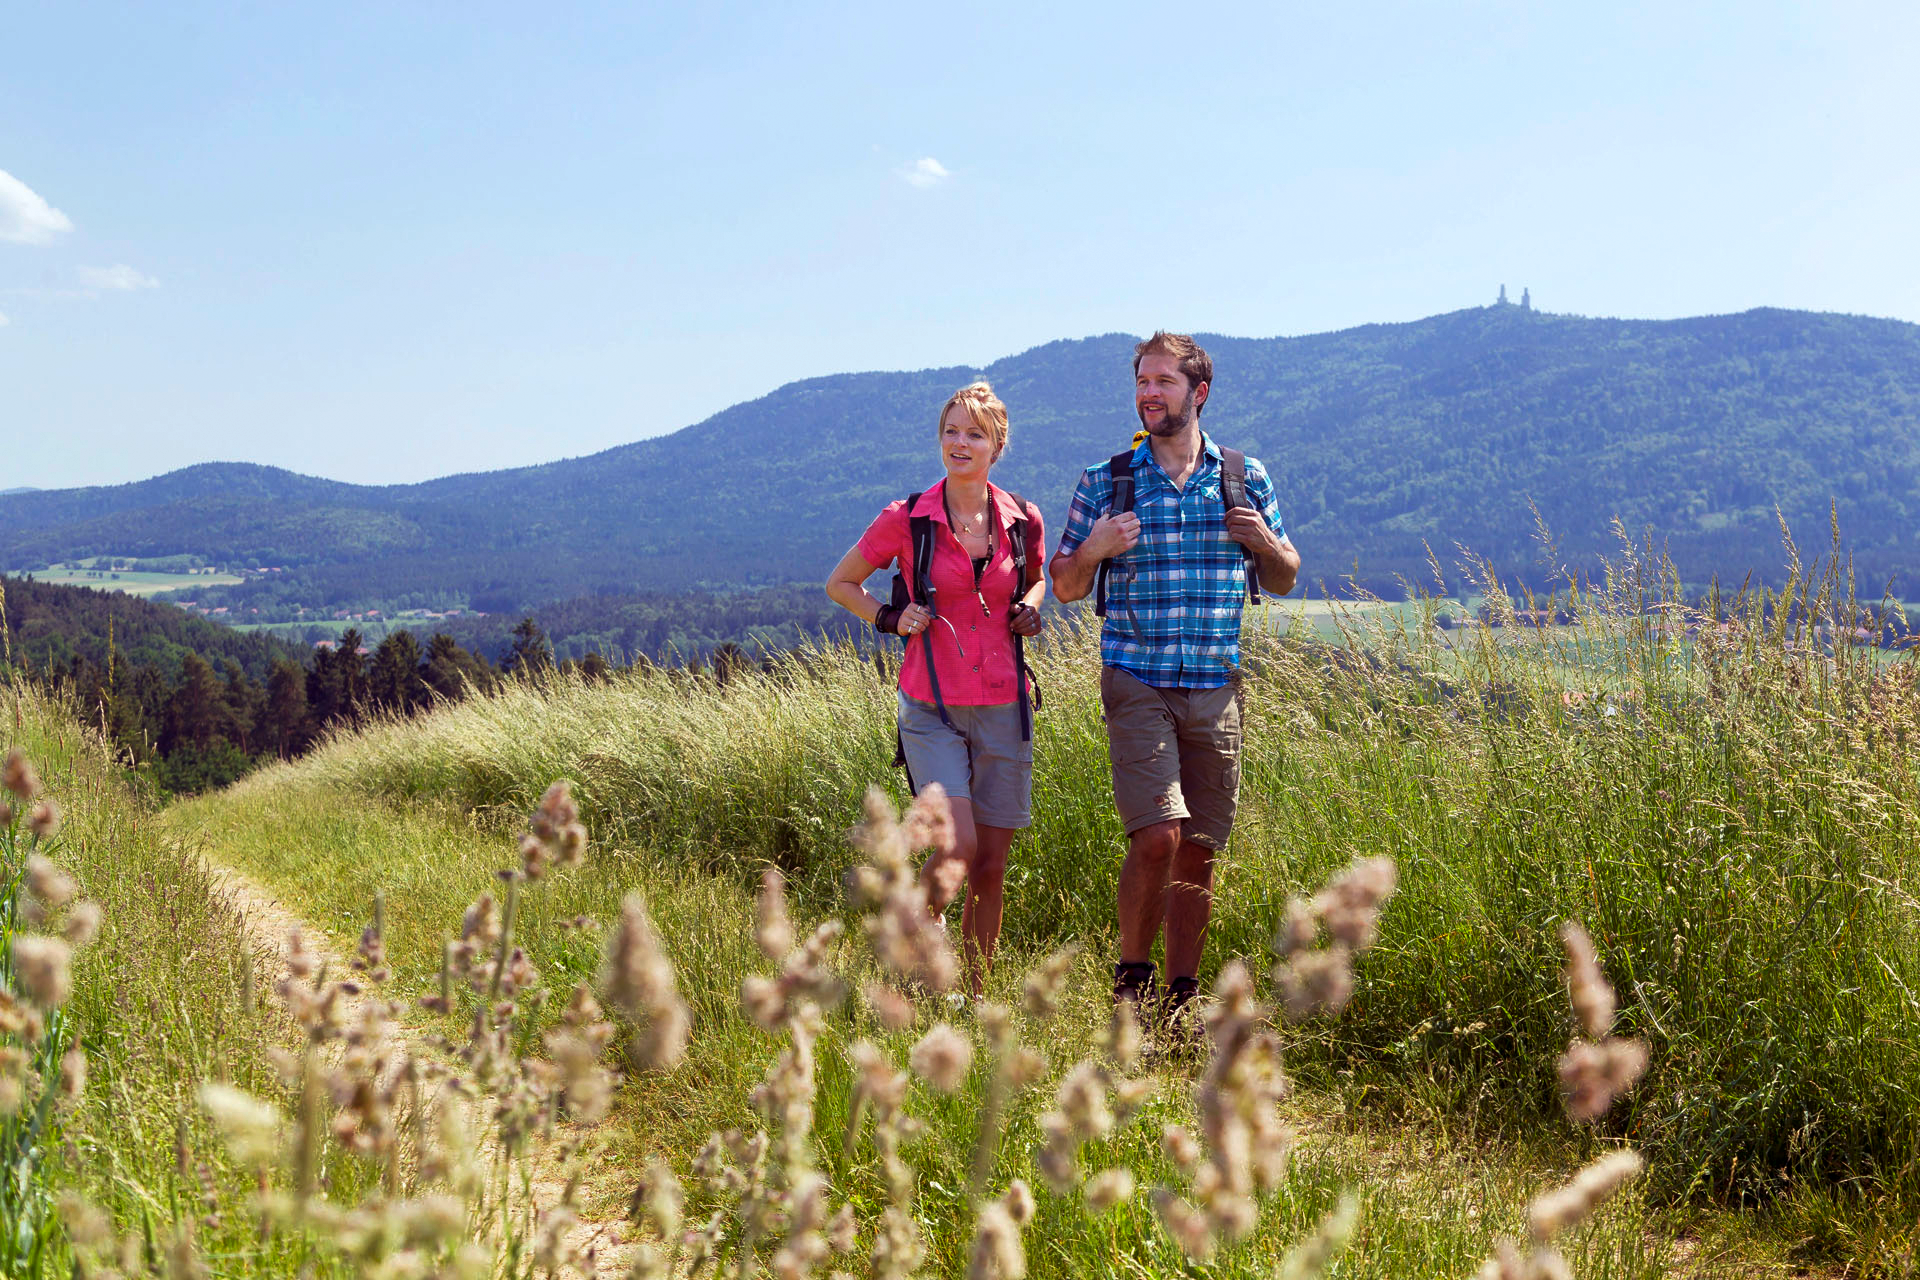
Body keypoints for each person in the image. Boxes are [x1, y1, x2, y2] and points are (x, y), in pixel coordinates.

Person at [1048, 332, 1299, 1030]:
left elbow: (1284, 576)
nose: (1149, 393)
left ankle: (1182, 997)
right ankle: (1132, 980)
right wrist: (1094, 549)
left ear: (1199, 392)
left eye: (1163, 381)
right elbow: (1064, 586)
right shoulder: (1107, 480)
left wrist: (1265, 542)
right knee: (1158, 835)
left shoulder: (1244, 478)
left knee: (1200, 846)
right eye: (1142, 382)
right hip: (1137, 676)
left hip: (1216, 683)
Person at [826, 381, 1047, 995]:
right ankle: (912, 935)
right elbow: (841, 583)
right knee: (958, 848)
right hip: (932, 709)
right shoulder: (906, 518)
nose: (959, 442)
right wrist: (890, 617)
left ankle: (970, 994)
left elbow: (1034, 585)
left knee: (992, 865)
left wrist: (1030, 607)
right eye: (951, 430)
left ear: (997, 446)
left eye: (974, 433)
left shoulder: (1022, 518)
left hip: (1005, 703)